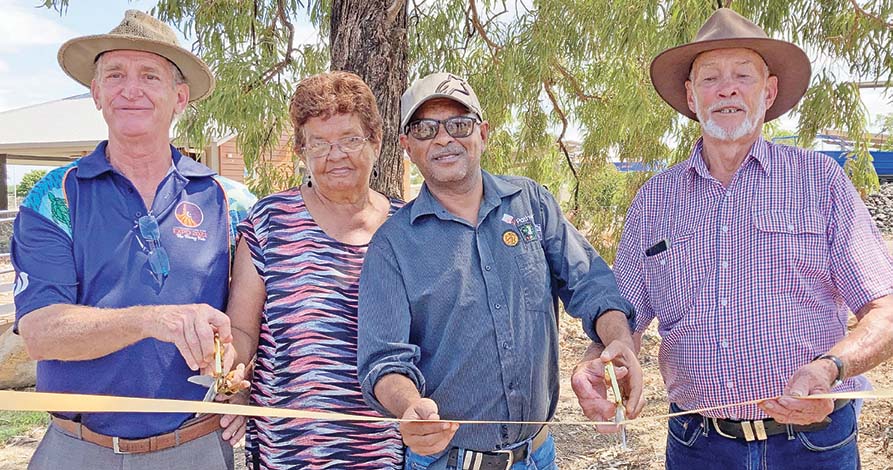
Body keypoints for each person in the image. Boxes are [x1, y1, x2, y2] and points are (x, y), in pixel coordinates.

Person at [611, 8, 893, 469]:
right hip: (698, 446)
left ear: (769, 91)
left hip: (813, 444)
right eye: (710, 78)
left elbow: (884, 310)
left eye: (743, 75)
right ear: (691, 95)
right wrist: (607, 361)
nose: (727, 89)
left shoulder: (821, 182)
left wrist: (830, 368)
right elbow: (622, 318)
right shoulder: (654, 200)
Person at [357, 72, 643, 470]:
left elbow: (593, 286)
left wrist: (619, 342)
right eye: (425, 129)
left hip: (539, 456)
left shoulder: (532, 203)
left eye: (459, 124)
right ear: (407, 146)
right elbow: (383, 361)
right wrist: (409, 405)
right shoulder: (392, 245)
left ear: (483, 133)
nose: (443, 139)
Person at [11, 10, 256, 470]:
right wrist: (153, 320)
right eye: (115, 75)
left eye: (149, 75)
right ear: (96, 93)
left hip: (198, 449)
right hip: (78, 450)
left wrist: (239, 374)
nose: (130, 89)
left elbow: (248, 327)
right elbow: (40, 333)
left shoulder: (232, 202)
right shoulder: (54, 197)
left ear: (179, 97)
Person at [225, 71, 404, 469]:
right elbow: (242, 330)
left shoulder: (406, 227)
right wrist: (230, 375)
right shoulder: (269, 221)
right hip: (289, 450)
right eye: (319, 143)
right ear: (301, 152)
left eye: (350, 139)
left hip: (383, 451)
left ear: (375, 142)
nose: (335, 155)